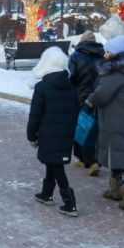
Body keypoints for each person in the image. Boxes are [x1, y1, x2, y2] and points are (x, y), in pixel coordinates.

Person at [86, 35, 124, 211]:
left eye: (108, 52)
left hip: (115, 120)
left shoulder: (116, 73)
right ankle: (115, 189)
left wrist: (90, 100)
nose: (105, 55)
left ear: (116, 54)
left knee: (117, 159)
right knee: (116, 155)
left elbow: (102, 94)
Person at [27, 47, 79, 217]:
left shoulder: (42, 87)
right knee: (53, 161)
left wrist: (31, 135)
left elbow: (35, 114)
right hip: (65, 134)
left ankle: (69, 203)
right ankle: (46, 193)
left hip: (47, 133)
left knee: (57, 166)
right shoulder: (71, 86)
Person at [68, 31, 104, 175]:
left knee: (80, 127)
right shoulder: (102, 57)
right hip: (97, 96)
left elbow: (72, 77)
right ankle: (94, 159)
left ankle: (82, 159)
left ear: (82, 41)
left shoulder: (76, 56)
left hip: (80, 96)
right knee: (94, 128)